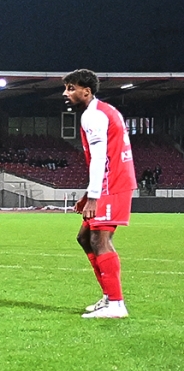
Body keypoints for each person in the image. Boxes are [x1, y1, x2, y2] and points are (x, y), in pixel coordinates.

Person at [64, 69, 134, 318]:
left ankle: (116, 304)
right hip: (109, 181)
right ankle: (109, 297)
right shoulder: (104, 110)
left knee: (99, 240)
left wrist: (94, 195)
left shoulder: (93, 116)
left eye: (71, 88)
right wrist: (89, 193)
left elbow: (99, 156)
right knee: (84, 238)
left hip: (111, 184)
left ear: (87, 91)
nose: (66, 93)